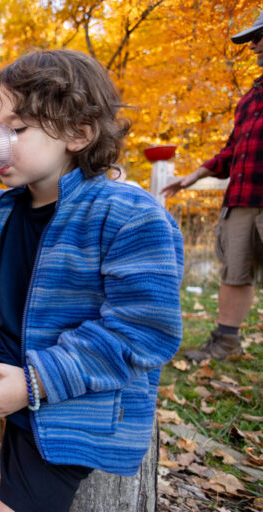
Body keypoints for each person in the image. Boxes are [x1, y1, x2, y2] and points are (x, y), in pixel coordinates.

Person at [0, 49, 184, 512]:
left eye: (17, 130)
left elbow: (146, 330)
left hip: (78, 387)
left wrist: (33, 383)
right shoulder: (2, 209)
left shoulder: (129, 213)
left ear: (79, 134)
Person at [161, 10, 263, 363]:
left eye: (260, 36)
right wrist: (196, 175)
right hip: (244, 198)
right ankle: (226, 343)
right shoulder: (251, 97)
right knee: (235, 271)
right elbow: (234, 148)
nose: (254, 45)